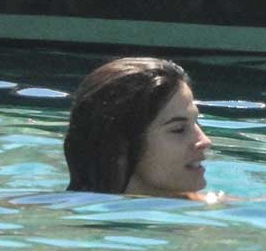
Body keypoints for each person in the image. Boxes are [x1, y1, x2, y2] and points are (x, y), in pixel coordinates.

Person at [64, 57, 215, 201]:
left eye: (196, 122)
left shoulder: (213, 207)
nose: (205, 141)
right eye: (179, 129)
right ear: (119, 145)